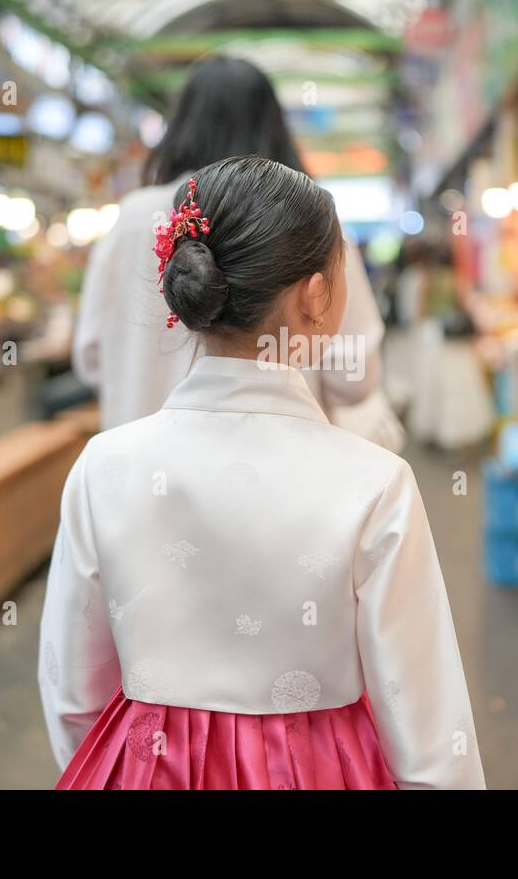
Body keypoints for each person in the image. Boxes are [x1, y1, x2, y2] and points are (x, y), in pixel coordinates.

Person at [39, 156, 484, 789]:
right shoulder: (374, 482)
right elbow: (429, 724)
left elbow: (73, 693)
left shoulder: (104, 467)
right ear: (316, 294)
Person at [72, 55, 384, 431]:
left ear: (181, 127)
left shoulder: (133, 219)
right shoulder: (312, 223)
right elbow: (355, 378)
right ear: (274, 128)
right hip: (286, 470)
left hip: (139, 475)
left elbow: (90, 359)